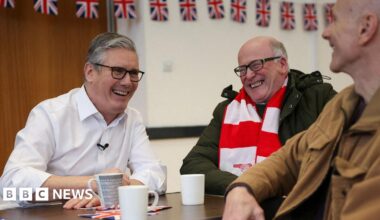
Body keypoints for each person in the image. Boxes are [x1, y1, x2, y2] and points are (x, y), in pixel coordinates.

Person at [223, 0, 380, 219]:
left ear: (366, 27)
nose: (325, 33)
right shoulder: (344, 104)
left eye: (334, 20)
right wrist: (242, 188)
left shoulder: (324, 97)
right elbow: (290, 157)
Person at [0, 32, 166, 209]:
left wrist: (114, 191)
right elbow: (12, 184)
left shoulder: (132, 118)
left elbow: (155, 174)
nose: (127, 82)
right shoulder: (50, 114)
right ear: (90, 72)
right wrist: (90, 185)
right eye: (118, 71)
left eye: (133, 73)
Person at [180, 36, 336, 196]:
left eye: (255, 65)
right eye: (242, 69)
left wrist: (256, 186)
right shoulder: (226, 110)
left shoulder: (318, 97)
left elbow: (340, 155)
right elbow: (193, 164)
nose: (248, 75)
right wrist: (241, 188)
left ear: (282, 65)